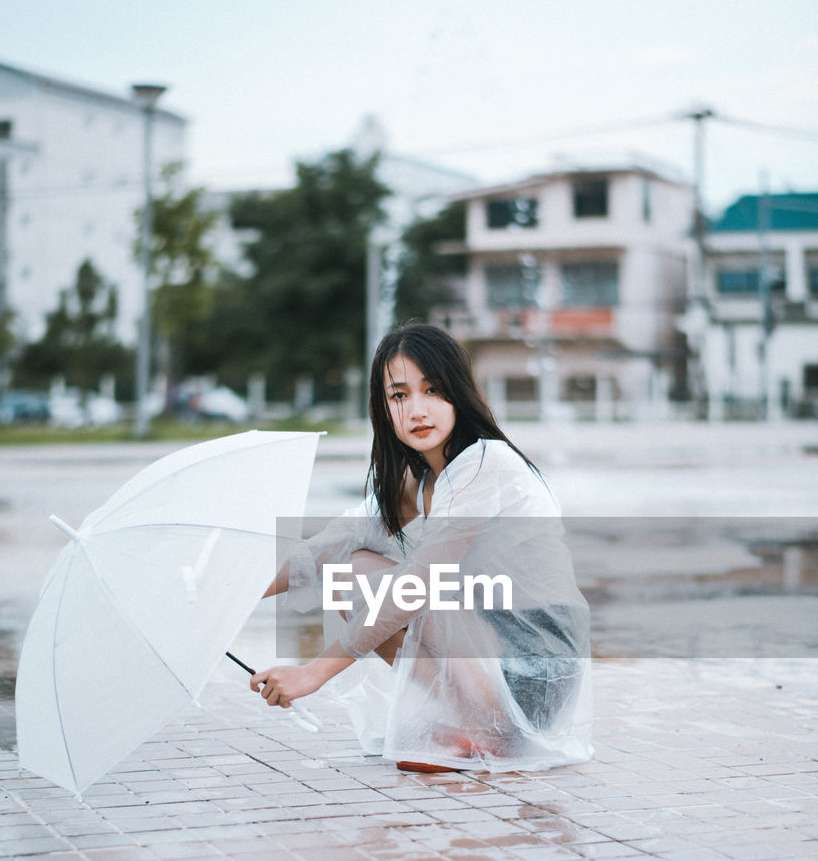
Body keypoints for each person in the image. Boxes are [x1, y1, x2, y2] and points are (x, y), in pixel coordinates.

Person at [250, 322, 592, 772]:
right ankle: (469, 725)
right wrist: (230, 596)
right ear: (384, 407)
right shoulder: (418, 480)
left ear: (458, 392)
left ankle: (494, 732)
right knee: (349, 570)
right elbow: (325, 547)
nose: (417, 410)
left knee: (404, 587)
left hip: (534, 672)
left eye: (432, 390)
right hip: (486, 652)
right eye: (400, 395)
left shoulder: (485, 464)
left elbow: (421, 584)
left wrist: (312, 672)